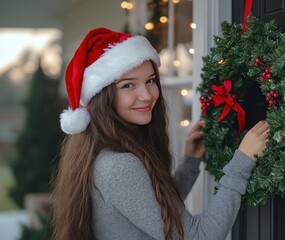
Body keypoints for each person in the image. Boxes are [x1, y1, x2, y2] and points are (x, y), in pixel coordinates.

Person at [51, 28, 269, 240]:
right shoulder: (118, 166)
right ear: (102, 97)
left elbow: (154, 214)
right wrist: (242, 162)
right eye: (128, 85)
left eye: (150, 81)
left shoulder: (101, 150)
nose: (146, 95)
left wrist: (190, 164)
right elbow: (199, 236)